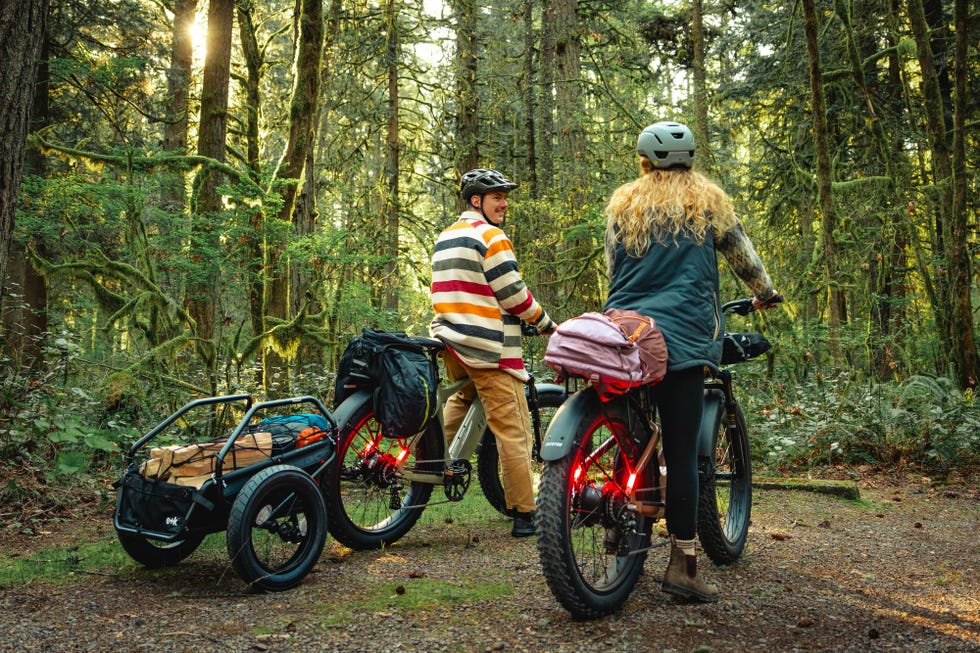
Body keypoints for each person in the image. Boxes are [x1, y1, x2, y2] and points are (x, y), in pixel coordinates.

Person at [603, 122, 778, 602]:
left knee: (629, 434)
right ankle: (682, 567)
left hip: (627, 332)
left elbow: (614, 271)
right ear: (690, 160)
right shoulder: (707, 202)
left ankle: (616, 533)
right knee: (682, 453)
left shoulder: (624, 204)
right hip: (683, 336)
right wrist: (765, 293)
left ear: (644, 162)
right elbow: (745, 260)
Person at [430, 168, 557, 537]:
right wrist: (546, 324)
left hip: (452, 346)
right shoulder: (490, 236)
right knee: (513, 430)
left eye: (504, 197)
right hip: (489, 350)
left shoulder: (446, 236)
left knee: (461, 401)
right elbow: (514, 295)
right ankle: (525, 514)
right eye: (497, 197)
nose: (504, 204)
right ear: (476, 200)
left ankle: (429, 465)